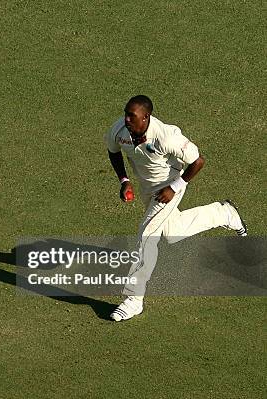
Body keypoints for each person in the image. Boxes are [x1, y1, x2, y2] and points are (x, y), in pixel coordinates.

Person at [104, 95, 247, 321]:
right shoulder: (119, 130)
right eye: (125, 114)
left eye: (132, 116)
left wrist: (175, 186)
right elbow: (113, 152)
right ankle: (223, 212)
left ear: (146, 117)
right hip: (147, 188)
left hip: (170, 186)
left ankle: (133, 299)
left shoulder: (167, 137)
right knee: (172, 232)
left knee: (147, 235)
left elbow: (198, 160)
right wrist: (124, 181)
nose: (127, 119)